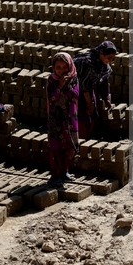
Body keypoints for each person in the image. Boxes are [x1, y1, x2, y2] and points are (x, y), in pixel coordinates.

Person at [47, 52, 79, 187]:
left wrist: (66, 86)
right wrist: (60, 86)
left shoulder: (74, 79)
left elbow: (76, 95)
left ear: (70, 66)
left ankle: (65, 171)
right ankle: (55, 174)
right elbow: (52, 98)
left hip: (69, 118)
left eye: (64, 67)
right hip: (55, 119)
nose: (61, 71)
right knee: (55, 146)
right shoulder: (51, 80)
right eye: (58, 67)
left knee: (67, 145)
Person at [73, 41, 117, 139]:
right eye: (109, 57)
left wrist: (106, 99)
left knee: (92, 114)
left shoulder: (103, 66)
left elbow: (104, 82)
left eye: (112, 58)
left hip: (89, 90)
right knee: (81, 115)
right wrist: (89, 103)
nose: (110, 60)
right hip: (75, 92)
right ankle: (80, 139)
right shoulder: (87, 63)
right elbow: (83, 85)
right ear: (101, 54)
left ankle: (88, 139)